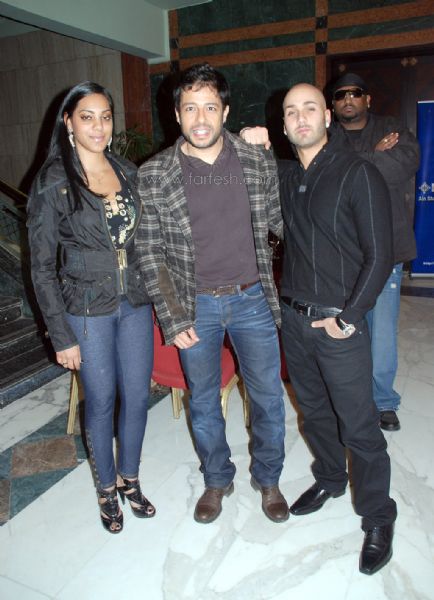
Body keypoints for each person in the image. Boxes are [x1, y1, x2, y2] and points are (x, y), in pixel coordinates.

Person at [242, 83, 397, 575]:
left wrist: (349, 318)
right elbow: (241, 166)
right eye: (291, 111)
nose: (301, 117)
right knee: (313, 413)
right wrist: (252, 142)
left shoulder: (358, 172)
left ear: (327, 117)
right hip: (294, 319)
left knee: (360, 426)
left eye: (310, 108)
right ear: (284, 126)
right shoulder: (287, 176)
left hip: (338, 323)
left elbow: (381, 255)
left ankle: (378, 515)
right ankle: (330, 478)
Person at [136, 63, 289, 525]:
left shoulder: (255, 159)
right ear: (176, 114)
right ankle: (217, 479)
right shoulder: (154, 174)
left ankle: (269, 479)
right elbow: (150, 253)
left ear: (224, 111)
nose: (200, 119)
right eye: (190, 108)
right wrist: (173, 316)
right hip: (194, 304)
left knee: (267, 397)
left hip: (252, 298)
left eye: (209, 107)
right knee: (202, 400)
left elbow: (282, 221)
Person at [27, 81, 155, 534]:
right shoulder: (53, 181)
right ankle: (105, 489)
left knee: (137, 396)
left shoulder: (127, 170)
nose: (98, 126)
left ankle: (130, 478)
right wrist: (60, 334)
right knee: (100, 400)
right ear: (68, 122)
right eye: (87, 117)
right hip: (85, 310)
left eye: (105, 117)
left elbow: (144, 241)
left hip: (134, 302)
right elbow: (41, 267)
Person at [331, 72, 420, 432]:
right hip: (341, 251)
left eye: (355, 93)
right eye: (340, 95)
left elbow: (406, 163)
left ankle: (383, 401)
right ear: (333, 104)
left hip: (387, 248)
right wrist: (373, 157)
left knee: (381, 331)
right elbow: (326, 173)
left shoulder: (392, 127)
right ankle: (352, 397)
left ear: (367, 99)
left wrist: (354, 162)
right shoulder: (328, 135)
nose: (348, 99)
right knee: (345, 330)